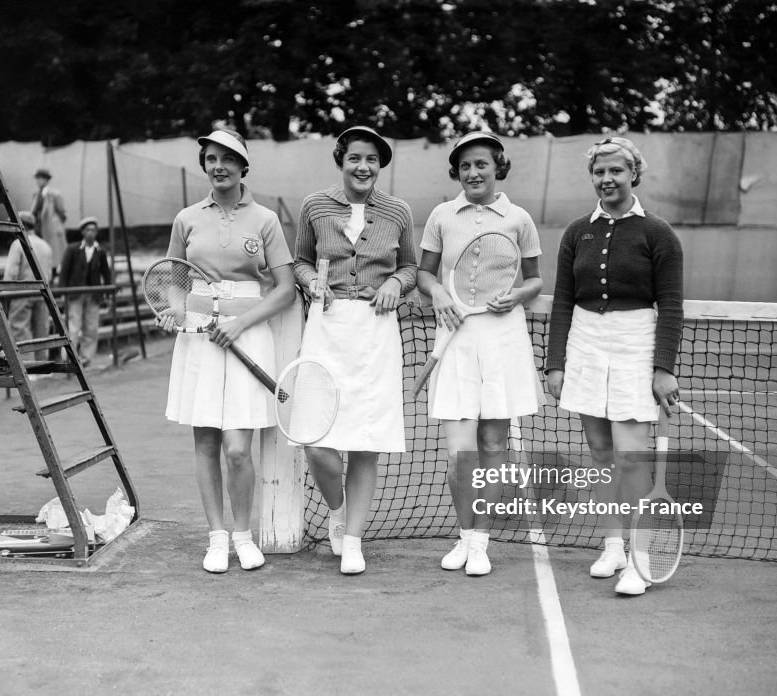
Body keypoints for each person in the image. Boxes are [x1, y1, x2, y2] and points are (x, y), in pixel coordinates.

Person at [544, 137, 684, 596]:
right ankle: (612, 546)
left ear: (633, 175)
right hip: (585, 344)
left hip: (635, 345)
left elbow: (672, 305)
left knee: (630, 457)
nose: (607, 180)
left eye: (616, 172)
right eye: (599, 172)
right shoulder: (576, 231)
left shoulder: (658, 233)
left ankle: (639, 561)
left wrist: (663, 367)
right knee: (601, 457)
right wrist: (555, 363)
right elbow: (563, 301)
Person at [161, 129, 295, 573]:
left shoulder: (265, 219)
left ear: (243, 166)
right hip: (198, 338)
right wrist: (175, 314)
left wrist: (240, 324)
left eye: (228, 158)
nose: (219, 166)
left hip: (247, 335)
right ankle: (216, 538)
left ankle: (243, 534)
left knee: (238, 448)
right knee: (206, 442)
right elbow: (173, 280)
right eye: (211, 158)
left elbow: (285, 289)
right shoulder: (186, 218)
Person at [416, 132, 545, 576]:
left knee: (492, 444)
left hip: (502, 339)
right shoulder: (441, 215)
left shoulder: (519, 219)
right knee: (459, 454)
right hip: (454, 338)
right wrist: (436, 295)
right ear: (457, 170)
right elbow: (424, 274)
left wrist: (517, 296)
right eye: (465, 166)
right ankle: (465, 533)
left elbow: (534, 280)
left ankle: (479, 542)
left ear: (497, 167)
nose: (473, 173)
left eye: (482, 165)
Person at [292, 125, 417, 575]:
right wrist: (309, 282)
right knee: (314, 440)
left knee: (366, 442)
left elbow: (411, 269)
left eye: (372, 160)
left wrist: (394, 285)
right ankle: (338, 512)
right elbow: (301, 261)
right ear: (341, 161)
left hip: (376, 332)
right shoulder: (314, 206)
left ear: (380, 165)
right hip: (325, 330)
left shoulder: (398, 211)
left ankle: (354, 539)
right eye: (355, 159)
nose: (363, 167)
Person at [59, 217, 110, 368]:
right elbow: (64, 271)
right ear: (82, 232)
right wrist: (63, 290)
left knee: (91, 327)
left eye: (93, 230)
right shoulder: (73, 249)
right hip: (76, 294)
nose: (90, 233)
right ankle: (69, 358)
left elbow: (106, 273)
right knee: (74, 326)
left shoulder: (100, 252)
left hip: (93, 295)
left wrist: (107, 291)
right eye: (87, 230)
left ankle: (86, 359)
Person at [4, 211, 53, 362]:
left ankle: (27, 365)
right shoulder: (45, 245)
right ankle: (42, 364)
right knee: (41, 330)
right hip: (42, 293)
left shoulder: (18, 244)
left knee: (20, 329)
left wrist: (5, 294)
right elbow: (49, 272)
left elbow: (11, 272)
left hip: (21, 292)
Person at [30, 168, 68, 269]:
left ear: (46, 180)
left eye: (40, 178)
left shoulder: (54, 194)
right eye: (37, 178)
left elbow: (62, 212)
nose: (38, 181)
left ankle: (52, 273)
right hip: (38, 227)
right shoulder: (36, 194)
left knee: (52, 252)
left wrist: (57, 226)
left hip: (50, 227)